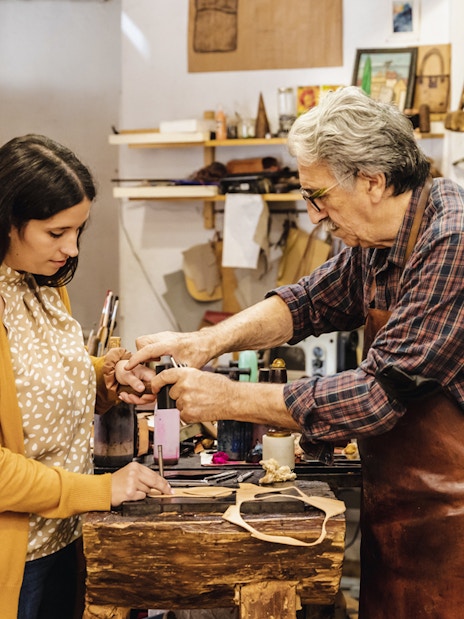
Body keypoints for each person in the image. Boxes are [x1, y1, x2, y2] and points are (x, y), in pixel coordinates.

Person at [124, 86, 464, 619]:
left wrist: (227, 397)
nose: (312, 215)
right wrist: (203, 342)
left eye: (318, 195)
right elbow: (306, 303)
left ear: (372, 181)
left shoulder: (451, 238)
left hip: (455, 521)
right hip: (399, 508)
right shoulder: (379, 239)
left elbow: (378, 393)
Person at [0, 134, 171, 619]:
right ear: (8, 221)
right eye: (56, 233)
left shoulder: (40, 284)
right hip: (15, 555)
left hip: (63, 536)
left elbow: (34, 385)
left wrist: (107, 377)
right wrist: (99, 490)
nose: (72, 249)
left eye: (79, 230)